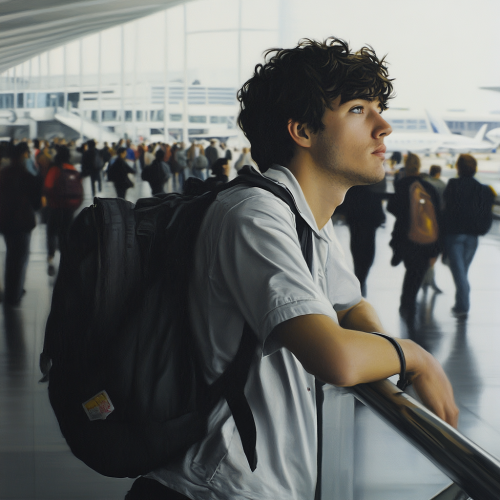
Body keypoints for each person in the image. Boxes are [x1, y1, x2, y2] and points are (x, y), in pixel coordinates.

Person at [126, 38, 458, 500]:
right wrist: (414, 358)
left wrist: (379, 353)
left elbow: (351, 307)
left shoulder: (306, 218)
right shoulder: (254, 215)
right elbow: (337, 357)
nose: (384, 127)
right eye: (359, 110)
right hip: (212, 489)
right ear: (302, 131)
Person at [387, 153, 442, 316]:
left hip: (405, 235)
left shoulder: (401, 185)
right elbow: (437, 214)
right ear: (419, 167)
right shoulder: (428, 187)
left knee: (410, 267)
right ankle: (408, 303)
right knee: (416, 271)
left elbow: (391, 207)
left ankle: (406, 301)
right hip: (425, 237)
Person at [442, 154, 495, 317]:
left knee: (459, 272)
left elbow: (446, 209)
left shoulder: (453, 185)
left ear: (458, 167)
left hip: (454, 234)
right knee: (462, 271)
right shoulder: (482, 189)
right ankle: (460, 304)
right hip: (473, 236)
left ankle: (463, 306)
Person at [0, 142, 42, 306]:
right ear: (24, 155)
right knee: (20, 257)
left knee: (11, 255)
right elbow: (36, 202)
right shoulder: (26, 176)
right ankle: (14, 293)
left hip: (5, 221)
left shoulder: (3, 174)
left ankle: (12, 289)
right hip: (22, 221)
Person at [338, 180, 386, 297]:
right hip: (368, 228)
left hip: (356, 227)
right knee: (367, 256)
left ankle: (359, 278)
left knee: (357, 253)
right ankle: (361, 278)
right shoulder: (371, 191)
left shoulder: (353, 191)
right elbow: (379, 214)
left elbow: (345, 208)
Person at [43, 146, 82, 276]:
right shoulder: (73, 169)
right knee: (65, 233)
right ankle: (66, 259)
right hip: (70, 207)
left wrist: (49, 199)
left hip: (56, 206)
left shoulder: (55, 168)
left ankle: (50, 257)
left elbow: (48, 186)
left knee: (52, 232)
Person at [421, 165, 446, 293]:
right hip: (437, 223)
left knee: (423, 252)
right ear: (439, 173)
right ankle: (429, 280)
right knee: (432, 254)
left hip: (423, 222)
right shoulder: (442, 185)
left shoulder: (423, 183)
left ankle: (425, 279)